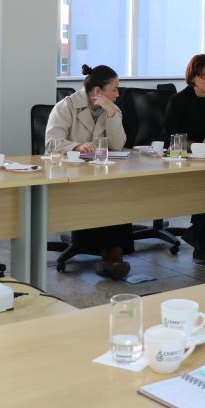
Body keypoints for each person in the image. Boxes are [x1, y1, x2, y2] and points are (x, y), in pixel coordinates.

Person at [45, 64, 133, 279]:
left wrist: (112, 115)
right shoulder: (66, 107)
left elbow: (118, 144)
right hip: (71, 174)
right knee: (96, 193)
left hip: (101, 171)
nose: (118, 94)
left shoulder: (111, 109)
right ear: (97, 92)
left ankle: (114, 255)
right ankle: (109, 254)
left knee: (118, 191)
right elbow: (51, 143)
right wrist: (76, 146)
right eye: (114, 89)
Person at [163, 53, 205, 264]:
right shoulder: (178, 101)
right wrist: (195, 145)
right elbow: (168, 138)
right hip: (181, 158)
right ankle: (204, 245)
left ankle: (201, 241)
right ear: (193, 76)